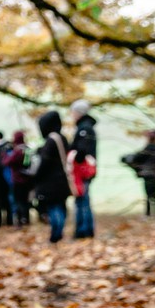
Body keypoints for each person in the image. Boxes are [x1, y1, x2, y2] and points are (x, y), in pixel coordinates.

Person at [31, 110, 72, 242]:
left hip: (52, 182)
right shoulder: (62, 138)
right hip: (62, 180)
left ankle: (56, 235)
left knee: (54, 208)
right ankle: (58, 233)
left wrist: (36, 176)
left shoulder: (51, 140)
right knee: (60, 207)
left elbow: (45, 162)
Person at [69, 99, 98, 238]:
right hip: (84, 171)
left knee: (82, 200)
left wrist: (73, 157)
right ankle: (85, 229)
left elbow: (81, 150)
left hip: (82, 171)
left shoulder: (84, 129)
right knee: (83, 200)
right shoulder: (86, 127)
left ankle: (83, 230)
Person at [125, 130, 155, 217]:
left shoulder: (148, 148)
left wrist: (135, 163)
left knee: (148, 194)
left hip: (147, 174)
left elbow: (138, 157)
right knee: (154, 194)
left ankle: (148, 213)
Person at [7, 130, 33, 227]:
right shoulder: (27, 149)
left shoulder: (18, 151)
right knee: (25, 201)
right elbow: (27, 163)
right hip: (27, 179)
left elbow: (7, 162)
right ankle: (25, 218)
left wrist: (4, 154)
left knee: (19, 201)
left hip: (18, 180)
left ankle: (21, 219)